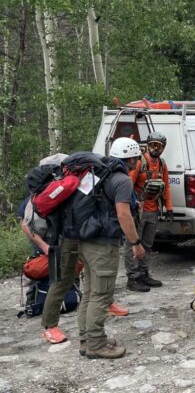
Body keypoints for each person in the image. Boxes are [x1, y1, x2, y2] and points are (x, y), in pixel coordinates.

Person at [20, 154, 128, 345]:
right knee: (62, 281)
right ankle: (49, 326)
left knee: (87, 277)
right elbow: (26, 223)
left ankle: (103, 307)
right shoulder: (64, 184)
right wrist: (45, 247)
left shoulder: (76, 181)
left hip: (74, 236)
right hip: (62, 239)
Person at [70, 138, 146, 359]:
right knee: (102, 295)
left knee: (91, 292)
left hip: (85, 240)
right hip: (103, 245)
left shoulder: (95, 174)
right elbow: (123, 215)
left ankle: (86, 340)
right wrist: (136, 243)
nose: (136, 163)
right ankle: (96, 343)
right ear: (131, 158)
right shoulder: (122, 180)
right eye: (136, 159)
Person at [124, 130, 173, 292]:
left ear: (163, 148)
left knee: (147, 244)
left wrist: (169, 208)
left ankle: (144, 273)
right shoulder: (140, 162)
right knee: (133, 243)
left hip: (153, 209)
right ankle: (133, 277)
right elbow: (129, 183)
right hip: (139, 210)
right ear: (147, 145)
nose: (155, 148)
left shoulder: (162, 164)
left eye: (159, 146)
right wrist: (131, 203)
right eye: (152, 145)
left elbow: (166, 187)